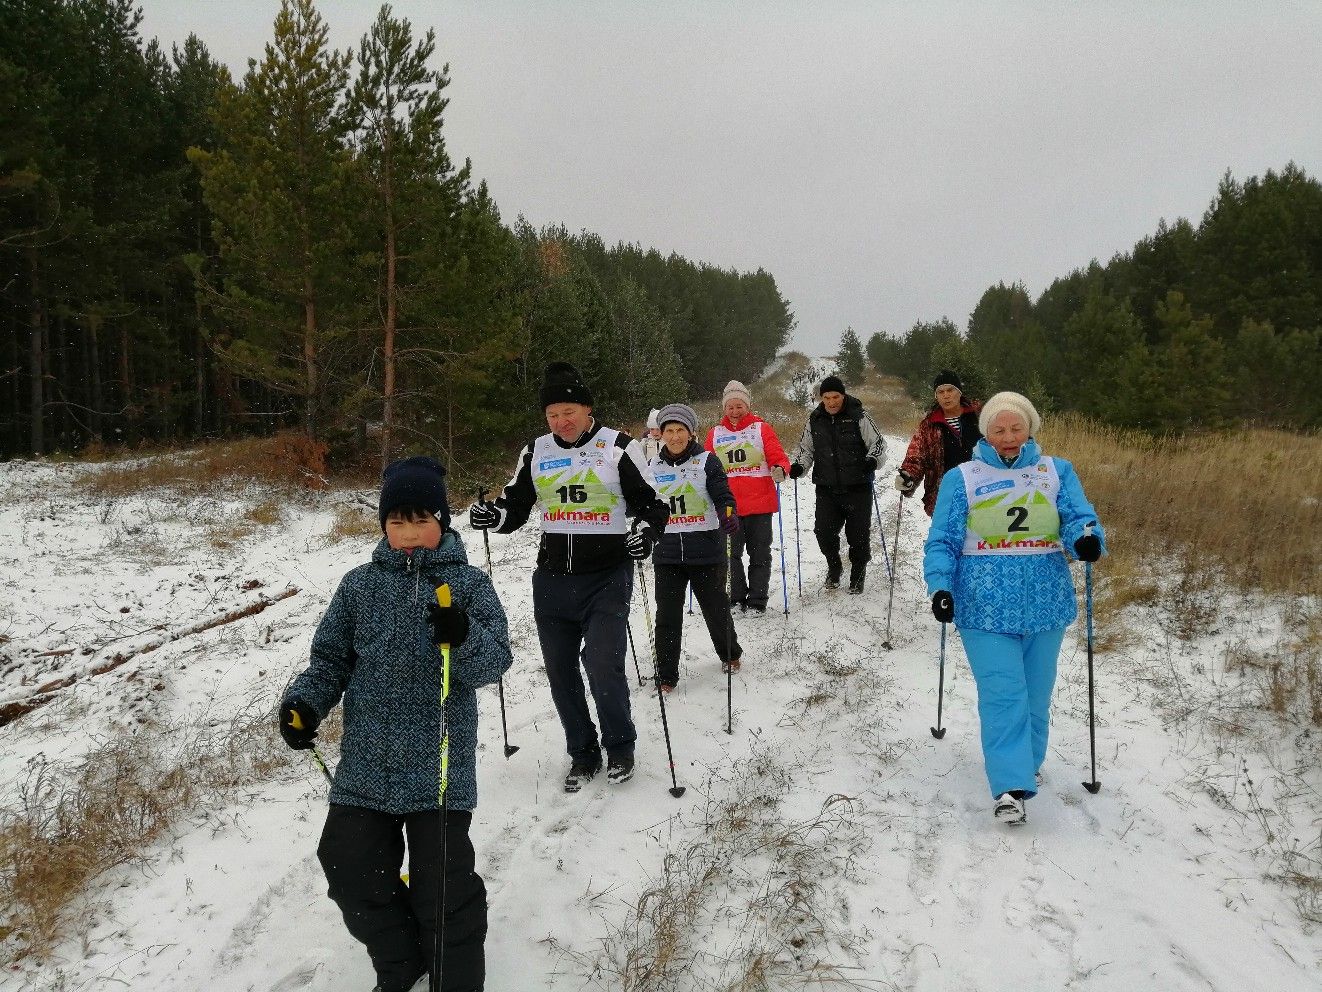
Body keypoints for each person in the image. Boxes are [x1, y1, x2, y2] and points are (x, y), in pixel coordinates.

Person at [278, 456, 513, 992]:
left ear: (443, 521)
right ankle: (402, 959)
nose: (409, 534)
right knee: (348, 868)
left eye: (422, 520)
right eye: (397, 522)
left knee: (444, 892)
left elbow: (496, 659)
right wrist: (305, 705)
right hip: (368, 761)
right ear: (384, 526)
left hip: (440, 766)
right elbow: (331, 661)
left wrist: (463, 635)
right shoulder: (359, 586)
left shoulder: (469, 586)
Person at [468, 362, 670, 793]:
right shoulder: (536, 451)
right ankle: (582, 752)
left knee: (601, 662)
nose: (561, 422)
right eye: (552, 415)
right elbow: (516, 506)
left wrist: (647, 535)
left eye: (568, 412)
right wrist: (494, 517)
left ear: (587, 408)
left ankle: (620, 745)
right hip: (553, 578)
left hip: (606, 575)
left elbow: (654, 504)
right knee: (559, 670)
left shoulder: (618, 446)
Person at [923, 392, 1105, 826]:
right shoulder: (962, 477)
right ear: (985, 432)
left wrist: (1085, 538)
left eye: (1016, 428)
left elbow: (1078, 516)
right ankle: (1009, 785)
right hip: (984, 605)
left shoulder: (1056, 471)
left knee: (1036, 695)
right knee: (1004, 693)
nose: (1008, 437)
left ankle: (1027, 761)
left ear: (1029, 429)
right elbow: (943, 539)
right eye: (998, 429)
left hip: (1045, 601)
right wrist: (940, 586)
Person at [649, 402, 743, 688]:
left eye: (680, 430)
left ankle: (730, 654)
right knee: (667, 615)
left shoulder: (707, 461)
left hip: (706, 552)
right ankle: (666, 674)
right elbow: (642, 503)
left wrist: (728, 512)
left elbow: (722, 494)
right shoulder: (652, 466)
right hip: (666, 553)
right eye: (669, 430)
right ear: (661, 434)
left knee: (715, 608)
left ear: (691, 433)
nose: (675, 437)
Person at [788, 374, 886, 594]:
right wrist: (800, 467)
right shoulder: (814, 419)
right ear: (821, 398)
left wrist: (872, 460)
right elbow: (806, 450)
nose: (831, 402)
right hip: (826, 487)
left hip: (858, 486)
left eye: (835, 397)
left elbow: (878, 444)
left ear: (843, 395)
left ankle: (858, 574)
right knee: (823, 532)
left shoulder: (859, 416)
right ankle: (834, 566)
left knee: (858, 535)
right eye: (826, 397)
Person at [705, 379, 791, 614]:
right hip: (728, 505)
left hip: (760, 503)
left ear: (747, 406)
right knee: (730, 554)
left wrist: (780, 468)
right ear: (724, 408)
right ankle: (735, 597)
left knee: (759, 553)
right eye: (730, 407)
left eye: (739, 406)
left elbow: (778, 455)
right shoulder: (715, 433)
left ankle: (757, 600)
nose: (735, 411)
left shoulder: (761, 428)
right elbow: (705, 465)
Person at [895, 370, 982, 517]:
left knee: (982, 538)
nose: (946, 395)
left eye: (950, 390)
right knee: (948, 539)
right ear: (936, 396)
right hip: (945, 496)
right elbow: (916, 457)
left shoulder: (979, 416)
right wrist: (908, 475)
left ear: (959, 392)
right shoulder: (929, 425)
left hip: (982, 490)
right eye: (940, 392)